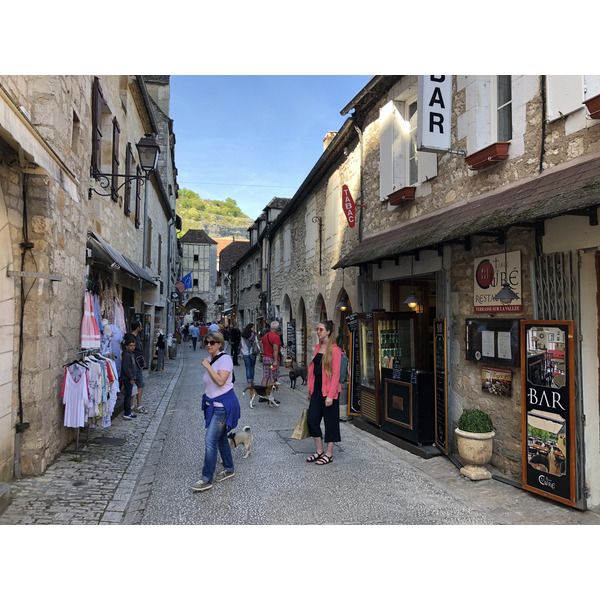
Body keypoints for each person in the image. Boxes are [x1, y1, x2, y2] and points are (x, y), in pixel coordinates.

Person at [191, 330, 241, 492]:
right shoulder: (212, 359)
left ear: (219, 344)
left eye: (212, 342)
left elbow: (220, 381)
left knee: (210, 440)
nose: (208, 345)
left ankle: (207, 479)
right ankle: (229, 468)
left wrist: (207, 366)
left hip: (223, 407)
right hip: (214, 405)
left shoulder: (225, 359)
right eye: (206, 342)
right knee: (220, 439)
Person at [305, 320, 342, 465]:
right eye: (317, 329)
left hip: (329, 392)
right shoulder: (317, 347)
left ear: (328, 332)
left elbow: (335, 374)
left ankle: (329, 454)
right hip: (317, 391)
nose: (318, 332)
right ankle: (319, 450)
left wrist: (331, 396)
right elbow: (313, 371)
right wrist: (310, 390)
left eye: (321, 329)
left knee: (330, 423)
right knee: (312, 420)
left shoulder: (335, 350)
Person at [130, 321, 148, 414]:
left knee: (137, 383)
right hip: (135, 364)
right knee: (140, 383)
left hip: (137, 363)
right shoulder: (132, 338)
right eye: (140, 326)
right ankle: (138, 405)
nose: (141, 328)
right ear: (137, 328)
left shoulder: (135, 338)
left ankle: (132, 404)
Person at [120, 334, 138, 420]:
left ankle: (128, 411)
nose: (132, 347)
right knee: (127, 395)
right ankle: (127, 412)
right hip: (127, 378)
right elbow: (126, 368)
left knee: (129, 394)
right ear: (127, 346)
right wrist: (131, 377)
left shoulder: (131, 354)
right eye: (130, 346)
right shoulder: (126, 355)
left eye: (134, 345)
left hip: (130, 378)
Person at [261, 321, 281, 387]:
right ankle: (270, 396)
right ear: (277, 328)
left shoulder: (265, 336)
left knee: (265, 376)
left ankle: (262, 394)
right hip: (272, 359)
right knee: (272, 378)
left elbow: (262, 348)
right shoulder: (276, 337)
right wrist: (275, 361)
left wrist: (265, 354)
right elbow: (275, 350)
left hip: (265, 358)